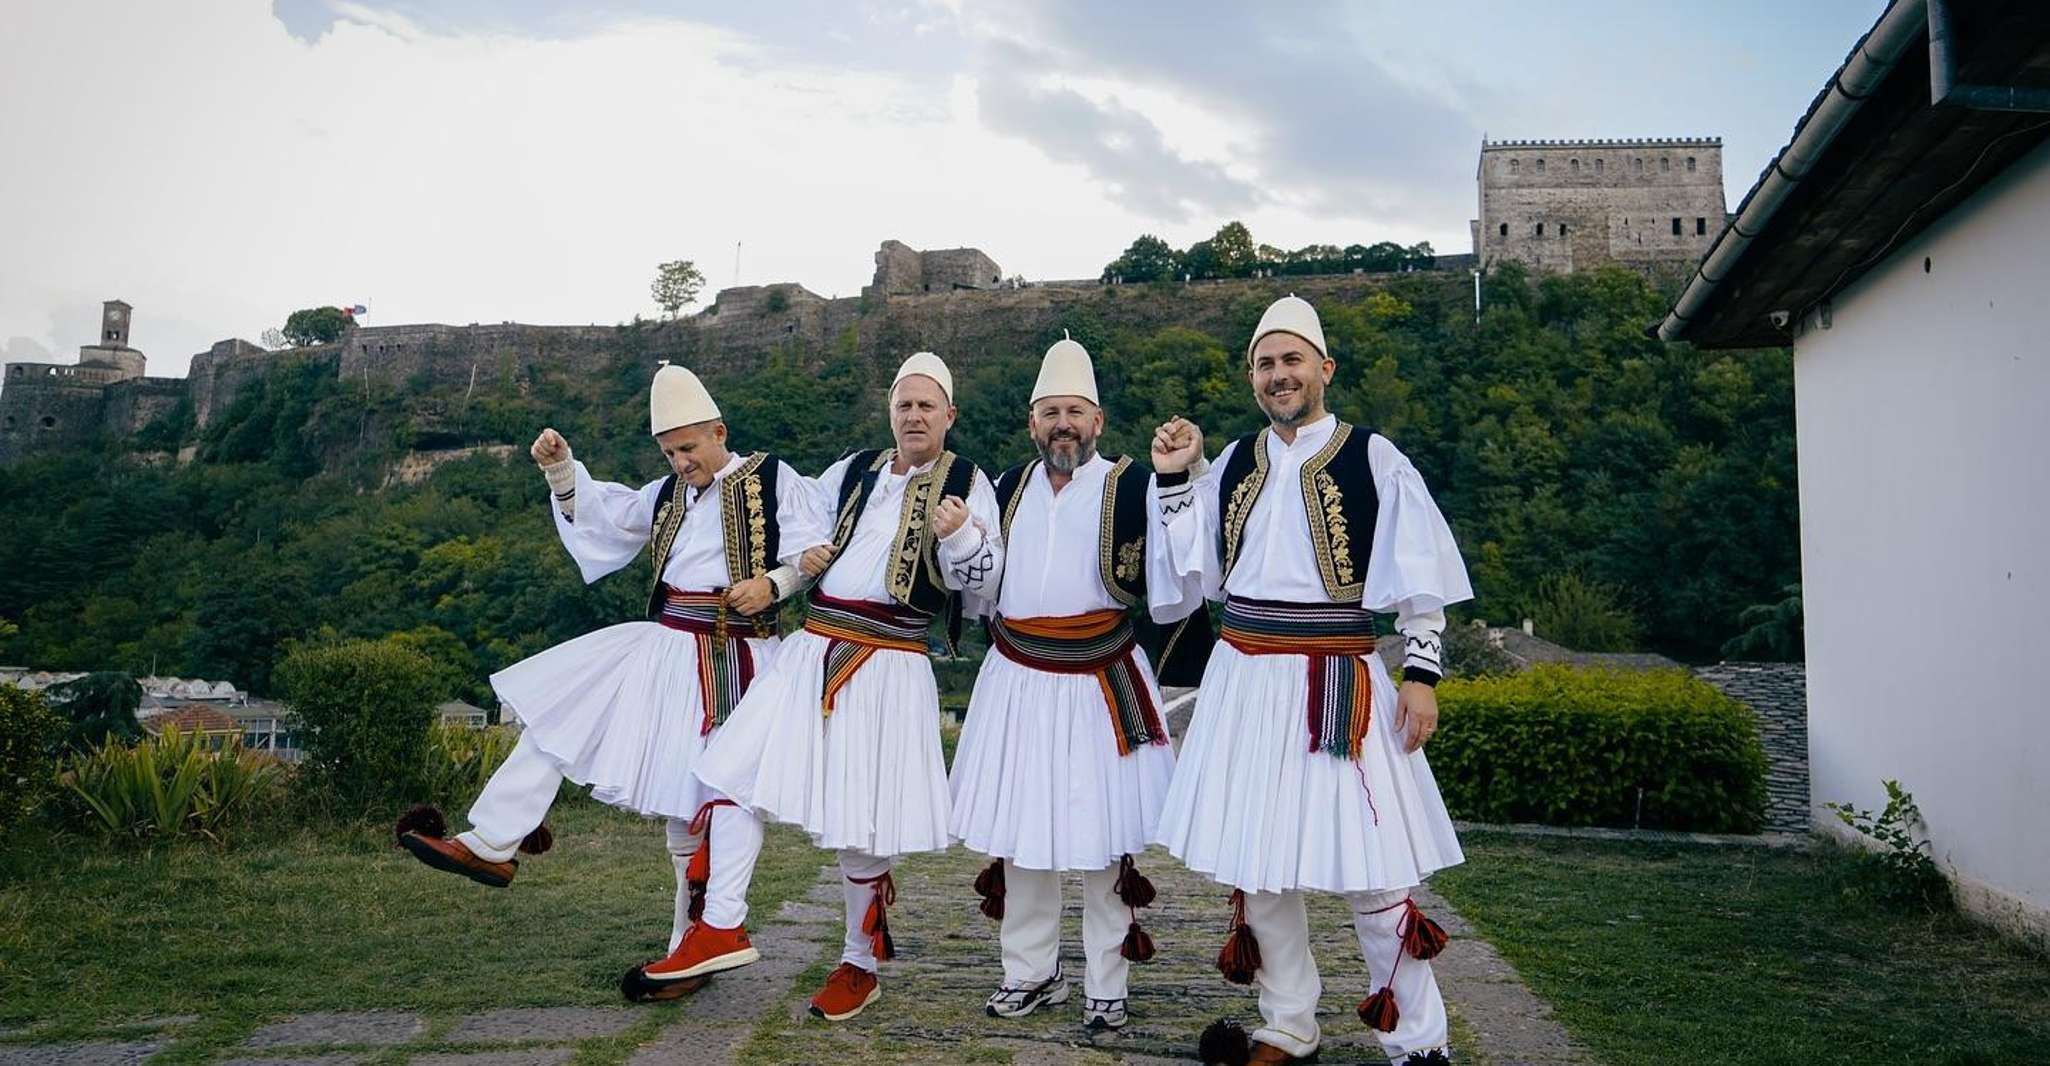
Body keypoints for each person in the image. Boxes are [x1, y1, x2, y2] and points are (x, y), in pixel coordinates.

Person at [396, 364, 826, 1002]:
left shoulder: (773, 479)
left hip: (740, 651)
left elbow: (817, 549)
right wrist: (562, 470)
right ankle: (492, 839)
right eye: (669, 452)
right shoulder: (665, 495)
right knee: (562, 714)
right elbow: (602, 520)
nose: (681, 462)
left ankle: (697, 945)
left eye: (689, 448)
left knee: (712, 803)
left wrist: (775, 584)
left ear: (719, 432)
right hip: (668, 643)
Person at [1149, 296, 1472, 1066]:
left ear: (1324, 369)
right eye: (1265, 363)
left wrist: (1420, 673)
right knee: (1259, 866)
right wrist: (1172, 480)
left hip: (1340, 678)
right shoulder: (1231, 463)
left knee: (1375, 872)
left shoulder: (1374, 457)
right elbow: (1190, 576)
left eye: (1292, 360)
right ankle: (1289, 1023)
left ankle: (1417, 1043)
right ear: (1252, 378)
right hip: (1245, 681)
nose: (1278, 374)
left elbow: (1420, 576)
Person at [681, 352, 1005, 1022]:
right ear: (890, 412)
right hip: (814, 644)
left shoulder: (969, 483)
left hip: (890, 659)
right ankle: (721, 925)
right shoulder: (853, 471)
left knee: (862, 819)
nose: (913, 416)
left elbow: (984, 583)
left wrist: (961, 533)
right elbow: (805, 544)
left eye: (926, 406)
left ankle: (859, 962)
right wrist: (777, 581)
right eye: (903, 405)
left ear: (950, 415)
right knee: (731, 768)